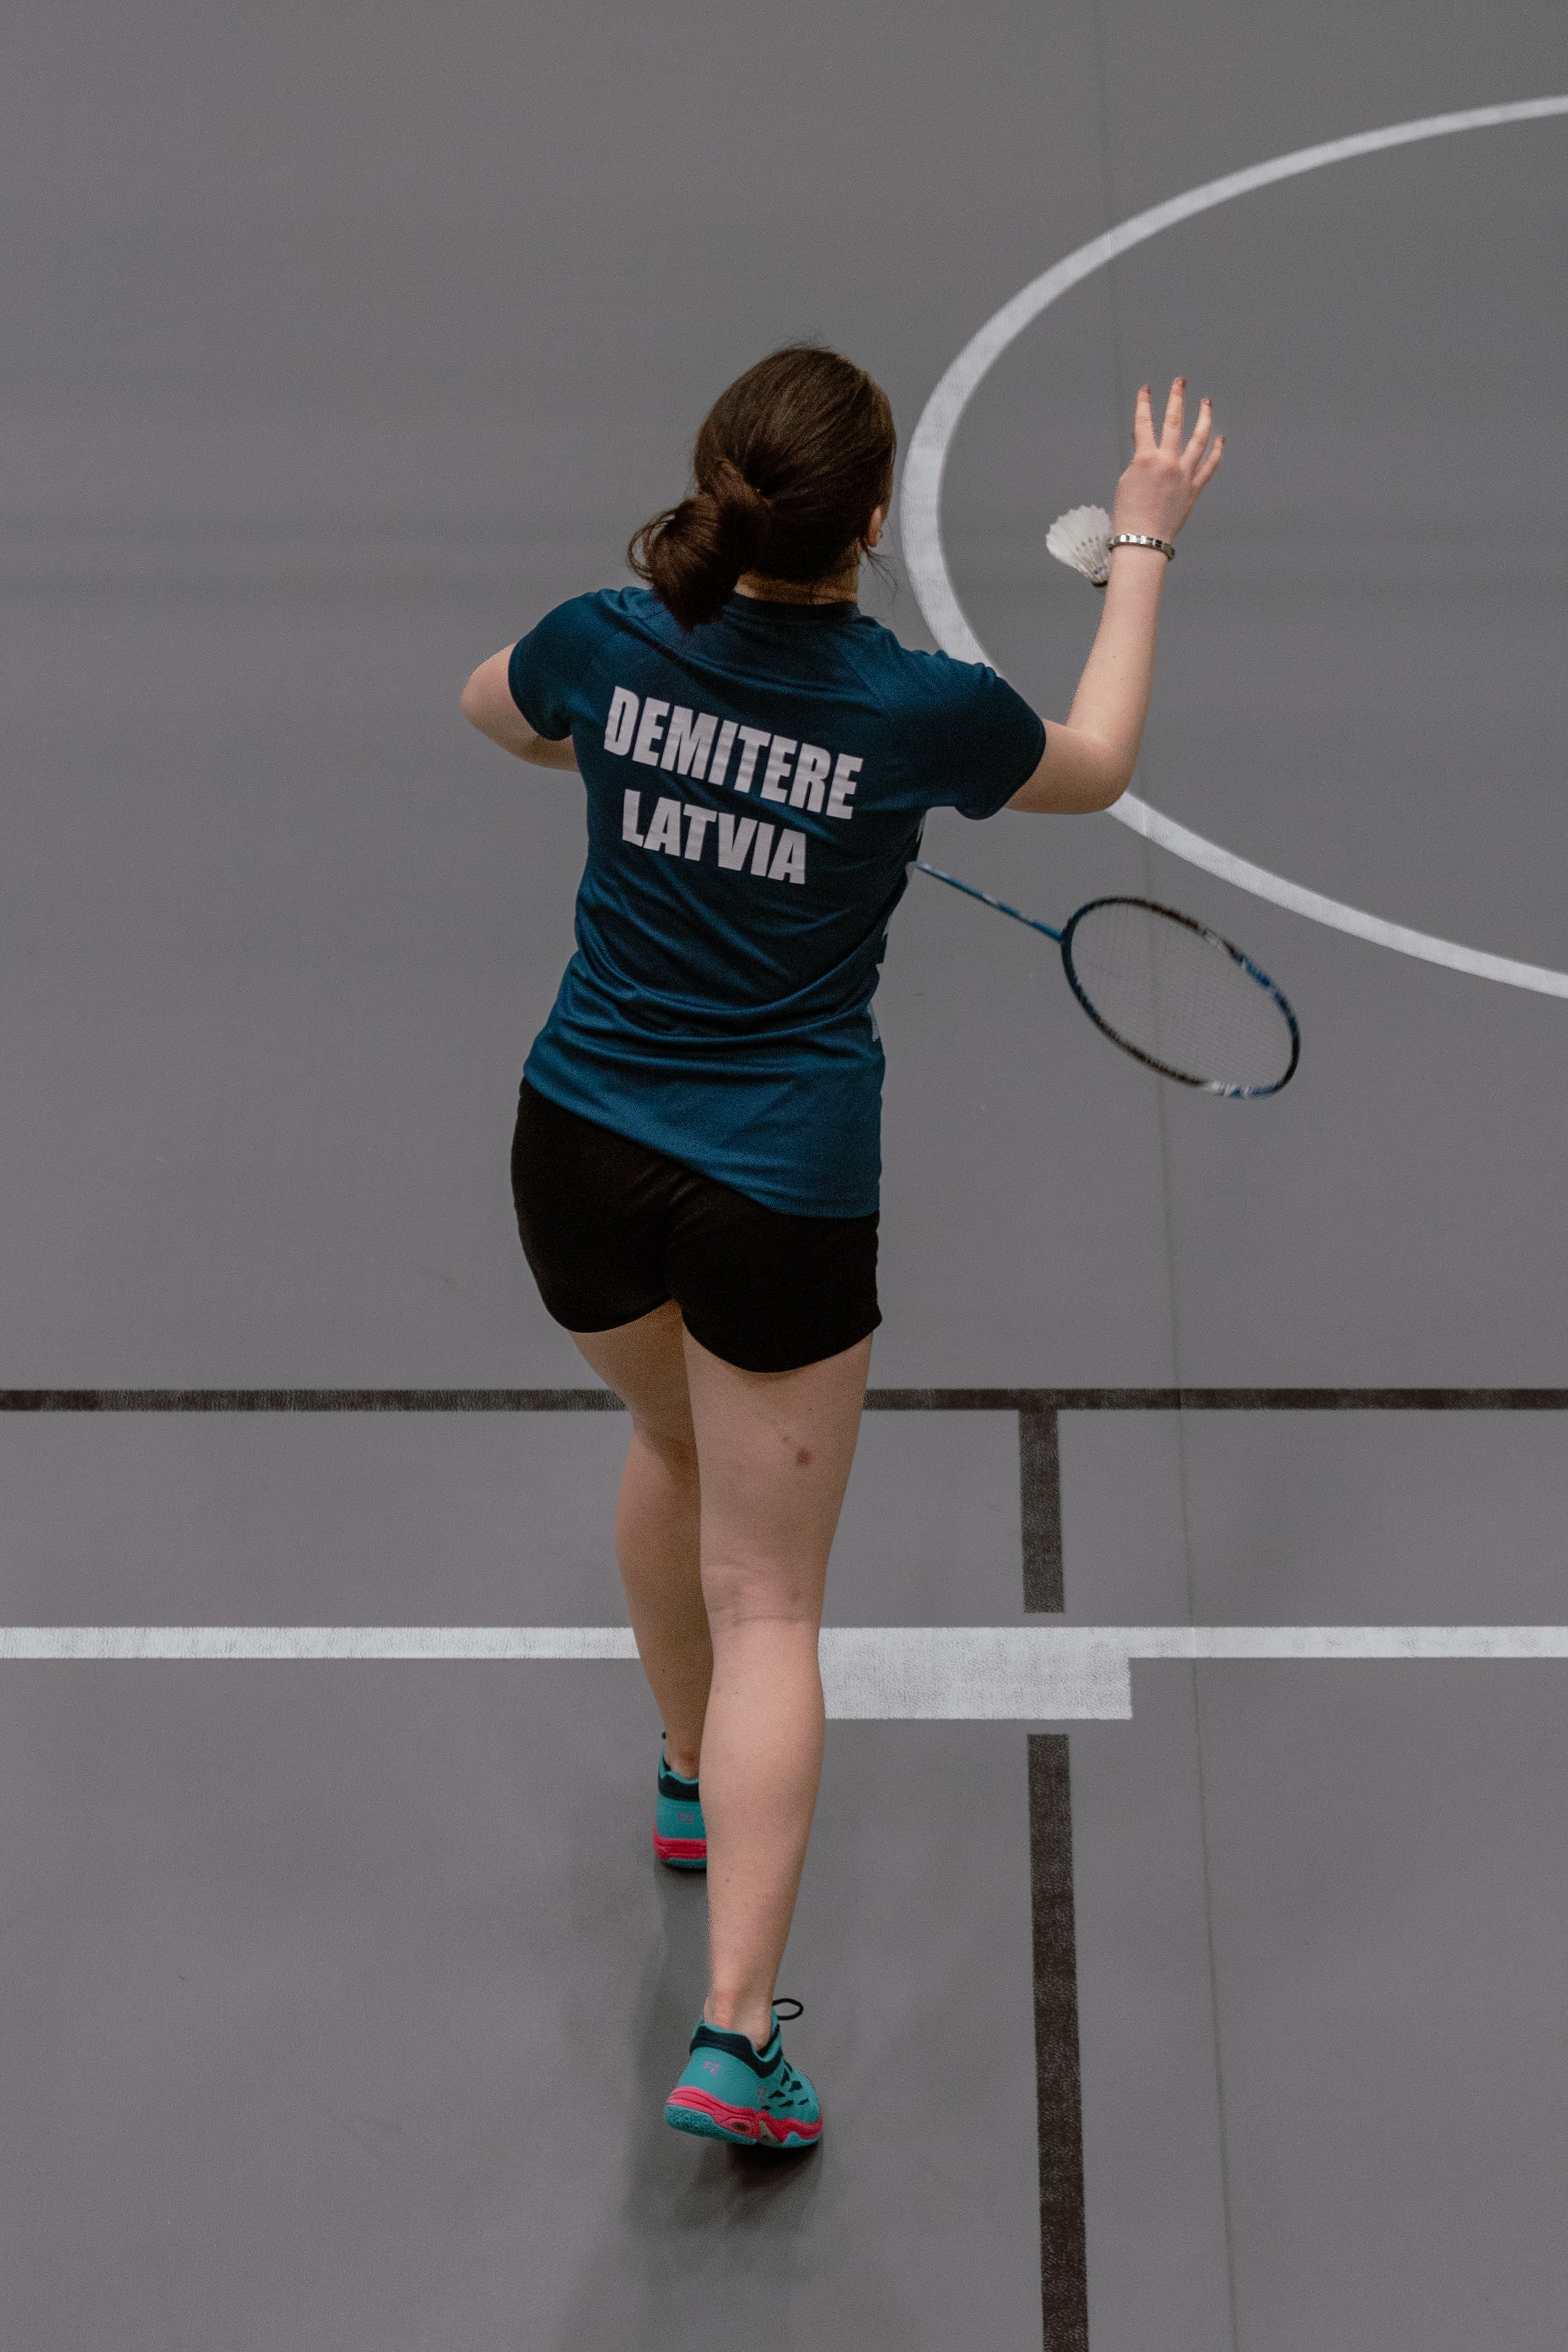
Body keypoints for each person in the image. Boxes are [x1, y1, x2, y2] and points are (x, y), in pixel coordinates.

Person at [460, 347, 1222, 2151]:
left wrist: (652, 762)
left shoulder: (604, 635)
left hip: (576, 1158)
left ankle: (687, 1770)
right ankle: (736, 2036)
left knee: (669, 1445)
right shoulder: (914, 709)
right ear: (872, 522)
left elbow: (497, 711)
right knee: (772, 1603)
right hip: (777, 1191)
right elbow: (1098, 763)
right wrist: (1142, 543)